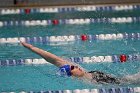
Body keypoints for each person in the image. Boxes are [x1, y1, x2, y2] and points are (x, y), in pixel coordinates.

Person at [21, 42, 121, 84]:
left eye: (73, 66)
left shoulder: (78, 72)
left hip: (98, 75)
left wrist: (31, 48)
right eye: (73, 68)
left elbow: (53, 59)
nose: (76, 67)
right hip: (101, 81)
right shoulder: (86, 82)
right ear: (71, 75)